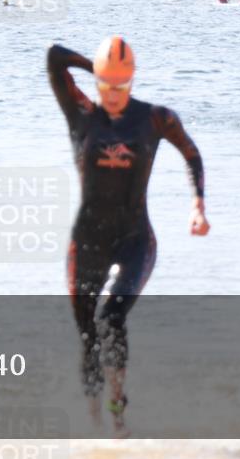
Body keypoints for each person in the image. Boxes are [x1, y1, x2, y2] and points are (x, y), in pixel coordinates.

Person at [47, 36, 210, 436]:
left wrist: (197, 204)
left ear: (132, 82)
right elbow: (55, 57)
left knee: (111, 316)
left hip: (135, 240)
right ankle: (93, 426)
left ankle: (118, 417)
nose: (115, 95)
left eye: (122, 86)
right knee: (88, 335)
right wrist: (95, 67)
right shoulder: (82, 113)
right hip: (86, 243)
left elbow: (190, 153)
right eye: (108, 86)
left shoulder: (154, 119)